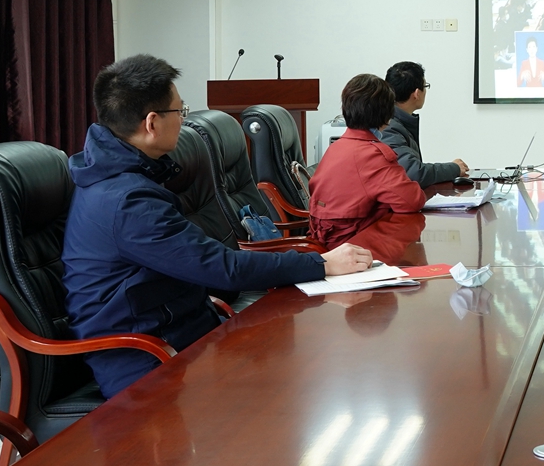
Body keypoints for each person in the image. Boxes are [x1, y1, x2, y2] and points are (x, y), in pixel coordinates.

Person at [63, 55, 372, 399]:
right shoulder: (128, 202)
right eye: (179, 112)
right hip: (145, 359)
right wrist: (323, 263)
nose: (183, 120)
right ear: (152, 123)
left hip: (178, 331)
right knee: (299, 387)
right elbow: (223, 267)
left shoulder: (123, 176)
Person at [310, 74, 432, 248]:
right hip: (354, 246)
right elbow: (412, 200)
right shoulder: (374, 154)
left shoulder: (335, 148)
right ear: (387, 114)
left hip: (324, 241)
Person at [380, 61, 469, 186]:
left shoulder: (395, 122)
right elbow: (414, 173)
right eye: (425, 86)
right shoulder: (388, 127)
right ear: (417, 93)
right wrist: (454, 168)